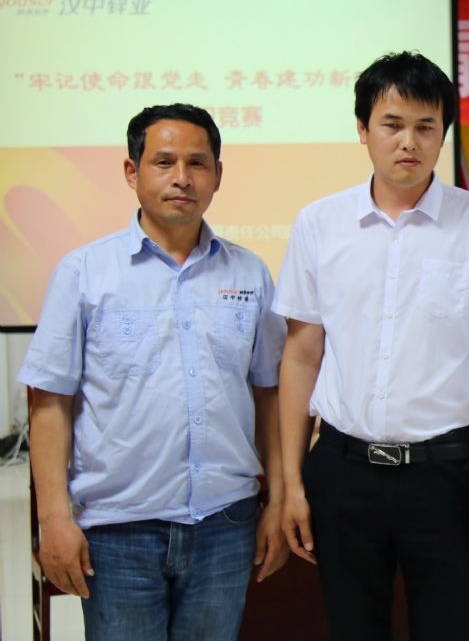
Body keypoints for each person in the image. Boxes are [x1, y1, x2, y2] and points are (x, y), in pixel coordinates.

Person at [274, 51, 469, 641]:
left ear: (443, 135)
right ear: (362, 130)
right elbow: (301, 355)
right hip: (343, 471)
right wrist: (291, 483)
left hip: (445, 474)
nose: (408, 142)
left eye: (425, 126)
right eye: (391, 124)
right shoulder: (319, 223)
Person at [19, 103, 288, 640]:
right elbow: (49, 402)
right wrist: (54, 519)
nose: (182, 178)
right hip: (118, 531)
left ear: (217, 175)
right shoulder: (84, 273)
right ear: (132, 171)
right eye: (164, 162)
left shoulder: (250, 273)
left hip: (225, 525)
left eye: (197, 163)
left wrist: (279, 501)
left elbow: (270, 395)